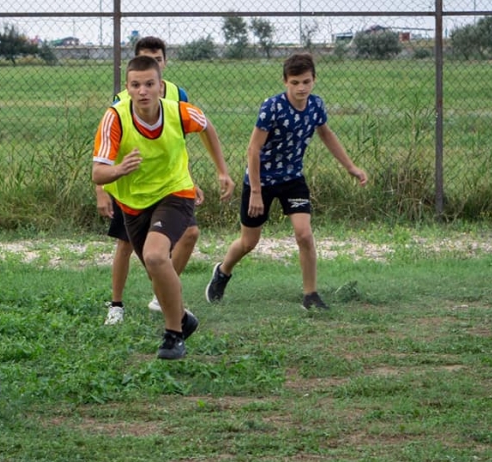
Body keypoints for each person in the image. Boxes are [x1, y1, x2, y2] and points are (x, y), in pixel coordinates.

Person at [92, 55, 235, 359]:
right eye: (135, 85)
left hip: (175, 192)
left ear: (161, 86)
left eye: (149, 84)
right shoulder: (114, 118)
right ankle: (184, 319)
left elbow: (207, 127)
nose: (142, 90)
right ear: (127, 89)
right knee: (156, 273)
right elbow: (98, 173)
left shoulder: (179, 112)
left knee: (156, 256)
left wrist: (222, 170)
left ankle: (173, 335)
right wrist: (119, 170)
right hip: (133, 204)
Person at [205, 52, 368, 310]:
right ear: (285, 82)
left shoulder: (316, 106)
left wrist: (351, 167)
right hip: (261, 180)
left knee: (304, 234)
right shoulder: (272, 107)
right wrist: (256, 192)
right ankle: (223, 272)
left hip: (292, 178)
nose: (301, 88)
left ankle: (310, 295)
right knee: (249, 242)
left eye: (306, 81)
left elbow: (326, 134)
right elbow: (253, 150)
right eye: (295, 82)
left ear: (314, 79)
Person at [97, 36, 201, 325]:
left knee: (190, 235)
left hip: (169, 184)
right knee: (125, 243)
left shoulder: (178, 95)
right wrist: (101, 189)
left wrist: (189, 179)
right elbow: (105, 151)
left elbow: (176, 142)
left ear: (163, 64)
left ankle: (164, 295)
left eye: (156, 60)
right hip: (132, 186)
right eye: (146, 59)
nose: (143, 87)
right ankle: (116, 304)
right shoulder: (122, 102)